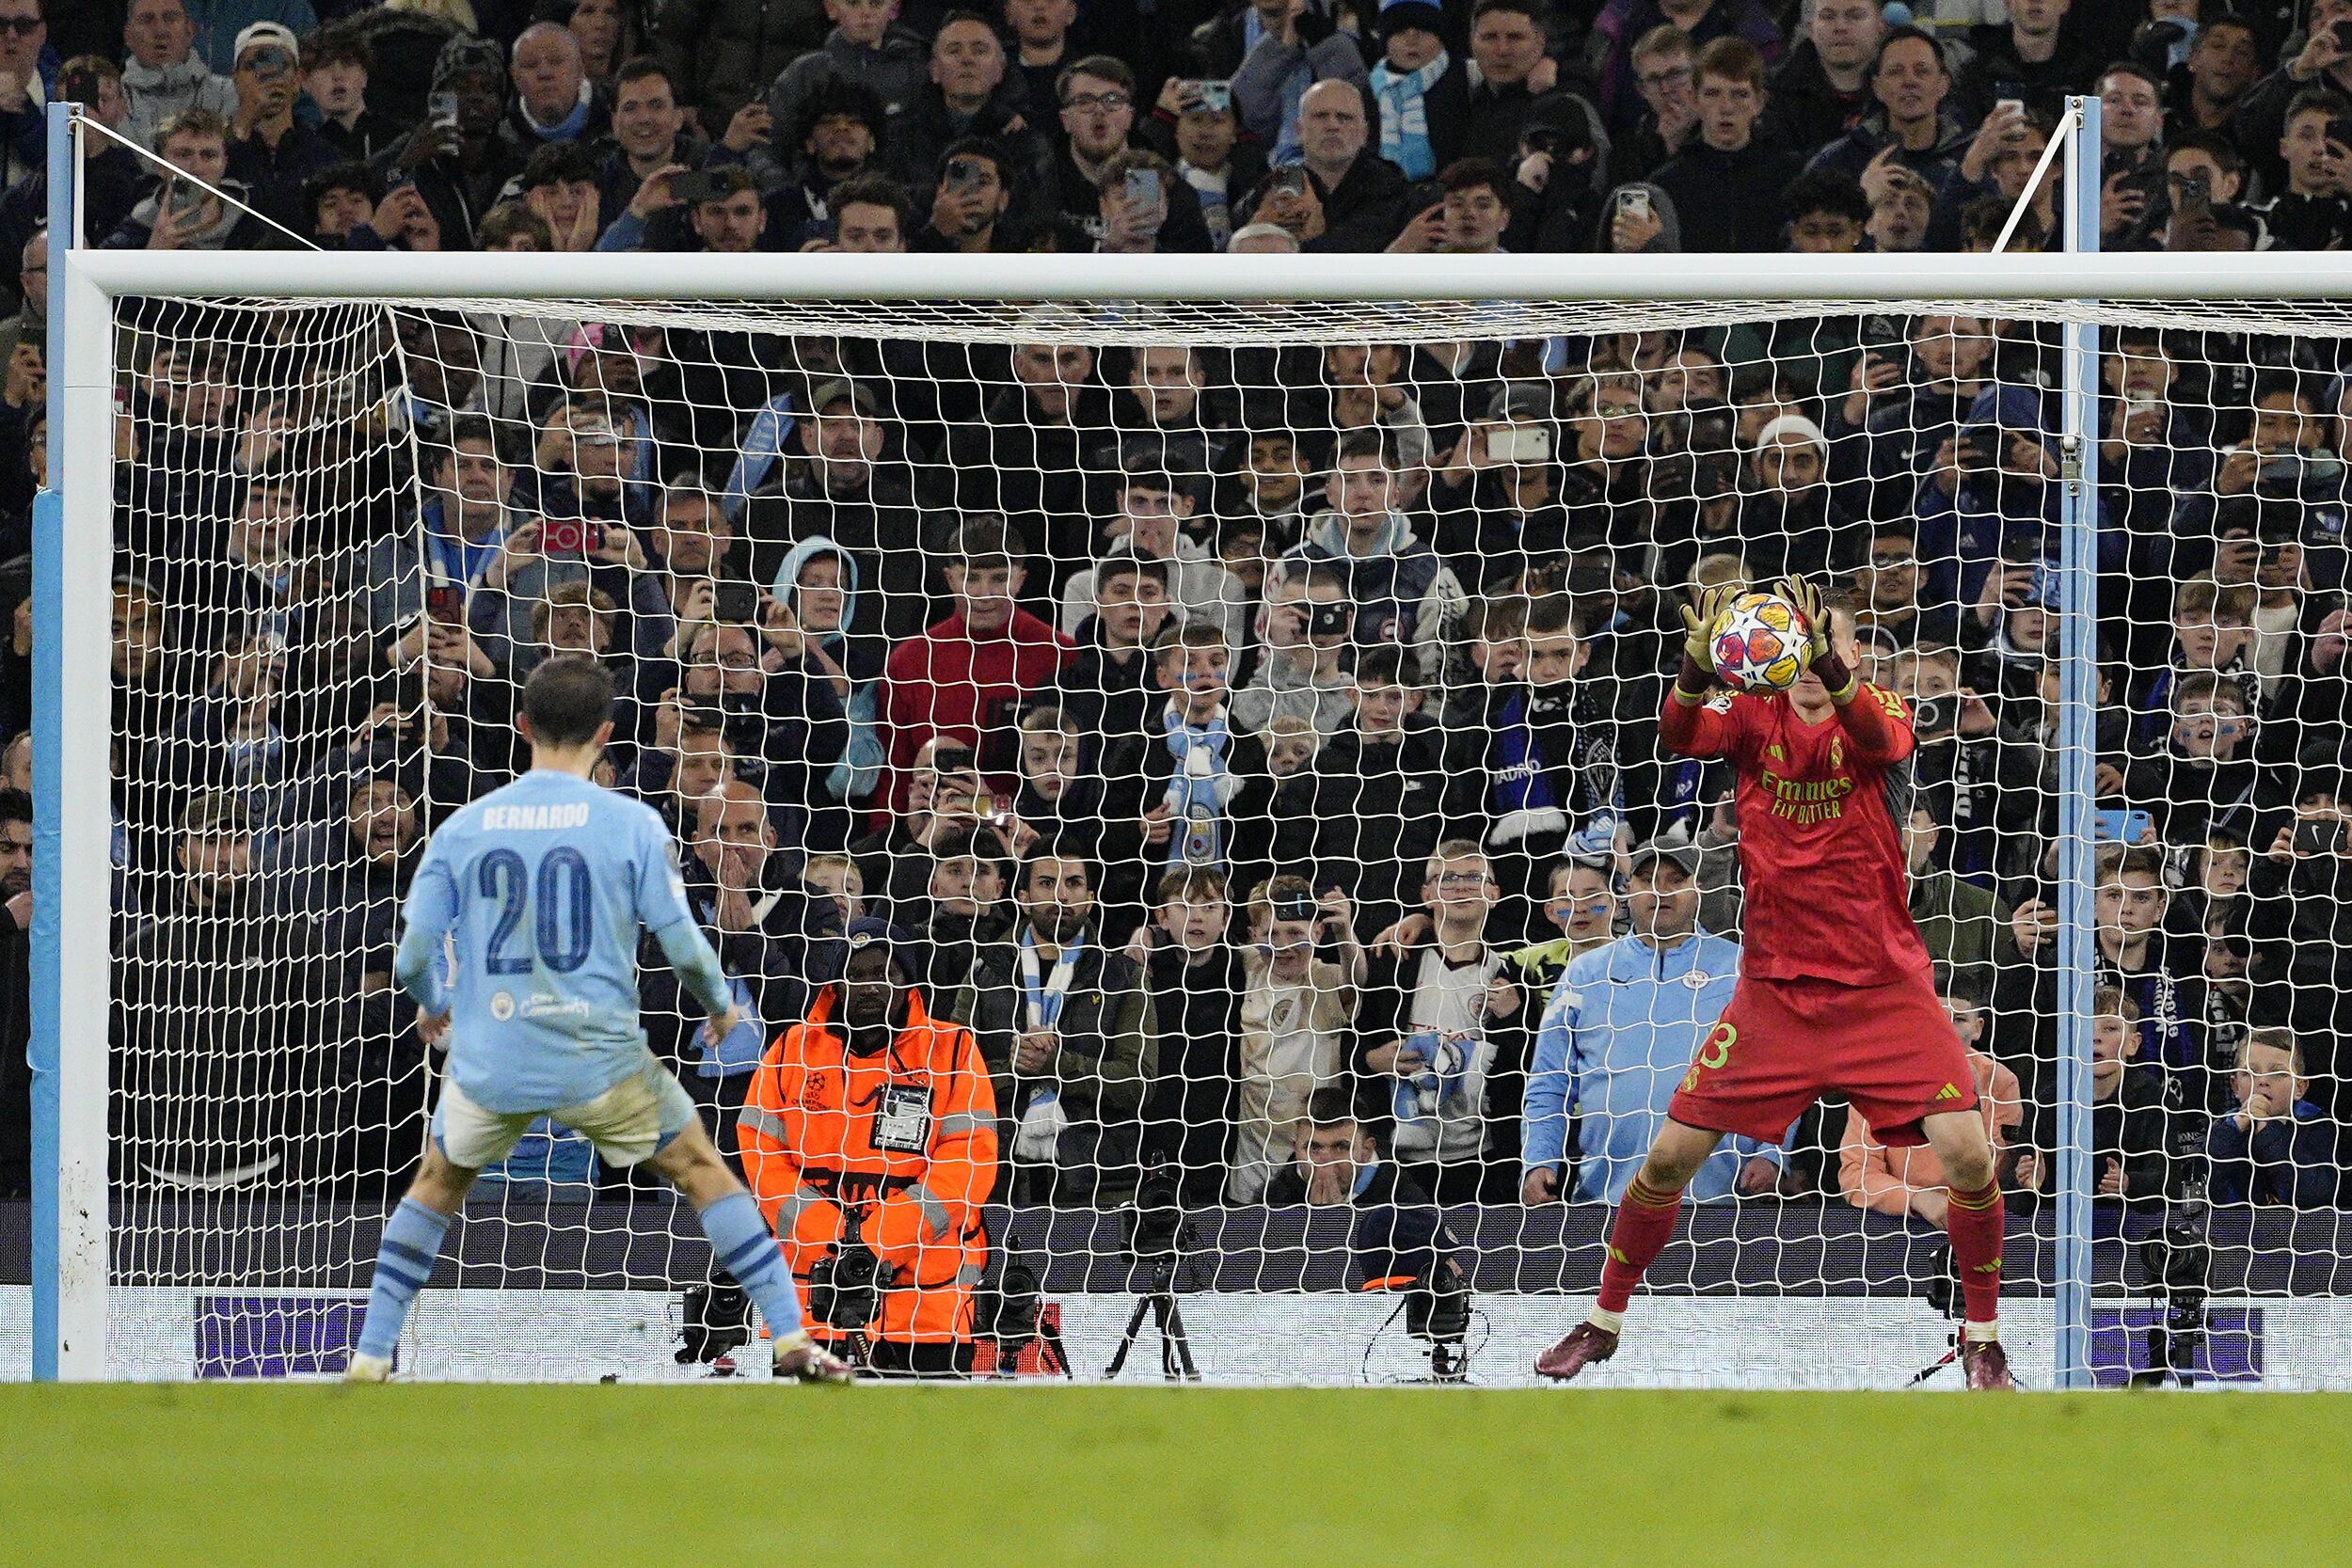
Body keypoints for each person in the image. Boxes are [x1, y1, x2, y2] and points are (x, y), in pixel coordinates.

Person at [1536, 578, 2016, 1389]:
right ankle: (1605, 1319)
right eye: (1790, 645)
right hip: (1774, 999)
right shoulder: (1752, 717)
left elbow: (1879, 738)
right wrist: (1694, 668)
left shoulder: (1885, 712)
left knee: (1970, 1159)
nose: (1799, 660)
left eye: (1824, 643)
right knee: (1664, 1164)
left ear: (1855, 652)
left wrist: (1825, 657)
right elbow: (1678, 732)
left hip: (1883, 992)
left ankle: (1984, 1337)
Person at [342, 656, 852, 1384]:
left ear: (522, 726)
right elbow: (682, 940)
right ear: (607, 732)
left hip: (496, 1053)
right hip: (600, 1057)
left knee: (434, 1187)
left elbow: (417, 950)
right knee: (706, 1173)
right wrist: (719, 1005)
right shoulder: (631, 823)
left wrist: (431, 1003)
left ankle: (370, 1352)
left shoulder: (466, 826)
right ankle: (791, 1339)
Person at [739, 917, 1000, 1376]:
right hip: (813, 1294)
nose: (870, 986)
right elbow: (763, 1161)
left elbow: (968, 1163)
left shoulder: (953, 1049)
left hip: (927, 1302)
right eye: (856, 974)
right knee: (808, 1443)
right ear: (837, 985)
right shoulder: (790, 1051)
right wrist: (834, 1240)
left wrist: (880, 1240)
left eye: (885, 973)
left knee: (928, 1442)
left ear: (907, 983)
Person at [1523, 841, 1765, 1206]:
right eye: (1647, 879)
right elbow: (1548, 1082)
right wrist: (1539, 1158)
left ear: (1697, 888)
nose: (1660, 891)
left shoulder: (1741, 969)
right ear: (1627, 892)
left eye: (1675, 880)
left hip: (1724, 1201)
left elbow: (1776, 1073)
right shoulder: (1584, 974)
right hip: (1605, 1199)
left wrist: (1772, 1154)